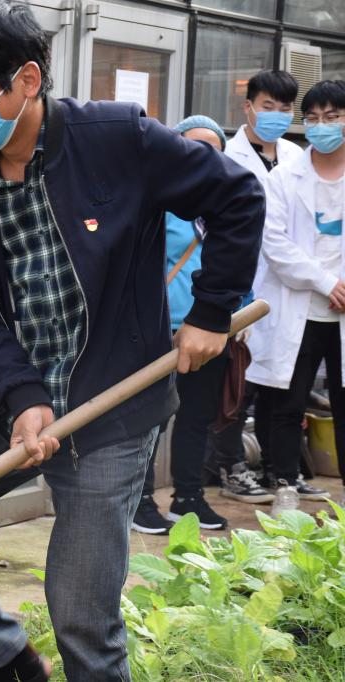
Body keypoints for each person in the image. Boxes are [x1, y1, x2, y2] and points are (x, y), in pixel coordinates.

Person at [0, 3, 265, 680]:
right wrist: (22, 395)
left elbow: (236, 200)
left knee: (82, 615)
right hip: (8, 402)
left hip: (112, 405)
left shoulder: (116, 139)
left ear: (26, 79)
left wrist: (210, 310)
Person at [133, 116, 246, 535]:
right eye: (194, 145)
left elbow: (238, 260)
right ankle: (140, 499)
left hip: (212, 331)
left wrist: (240, 311)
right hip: (163, 328)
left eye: (213, 148)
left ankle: (188, 497)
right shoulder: (160, 200)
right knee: (151, 418)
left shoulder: (228, 204)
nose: (203, 155)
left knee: (197, 416)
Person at [246, 80, 345, 501]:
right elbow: (274, 244)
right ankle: (285, 488)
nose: (323, 126)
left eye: (333, 117)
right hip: (299, 308)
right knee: (287, 404)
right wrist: (326, 282)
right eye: (314, 118)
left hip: (340, 314)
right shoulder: (285, 177)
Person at [212, 70, 305, 499]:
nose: (276, 115)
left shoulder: (295, 156)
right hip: (246, 286)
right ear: (247, 106)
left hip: (288, 290)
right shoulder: (228, 157)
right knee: (238, 385)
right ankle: (231, 468)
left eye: (285, 109)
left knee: (279, 384)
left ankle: (277, 469)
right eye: (268, 106)